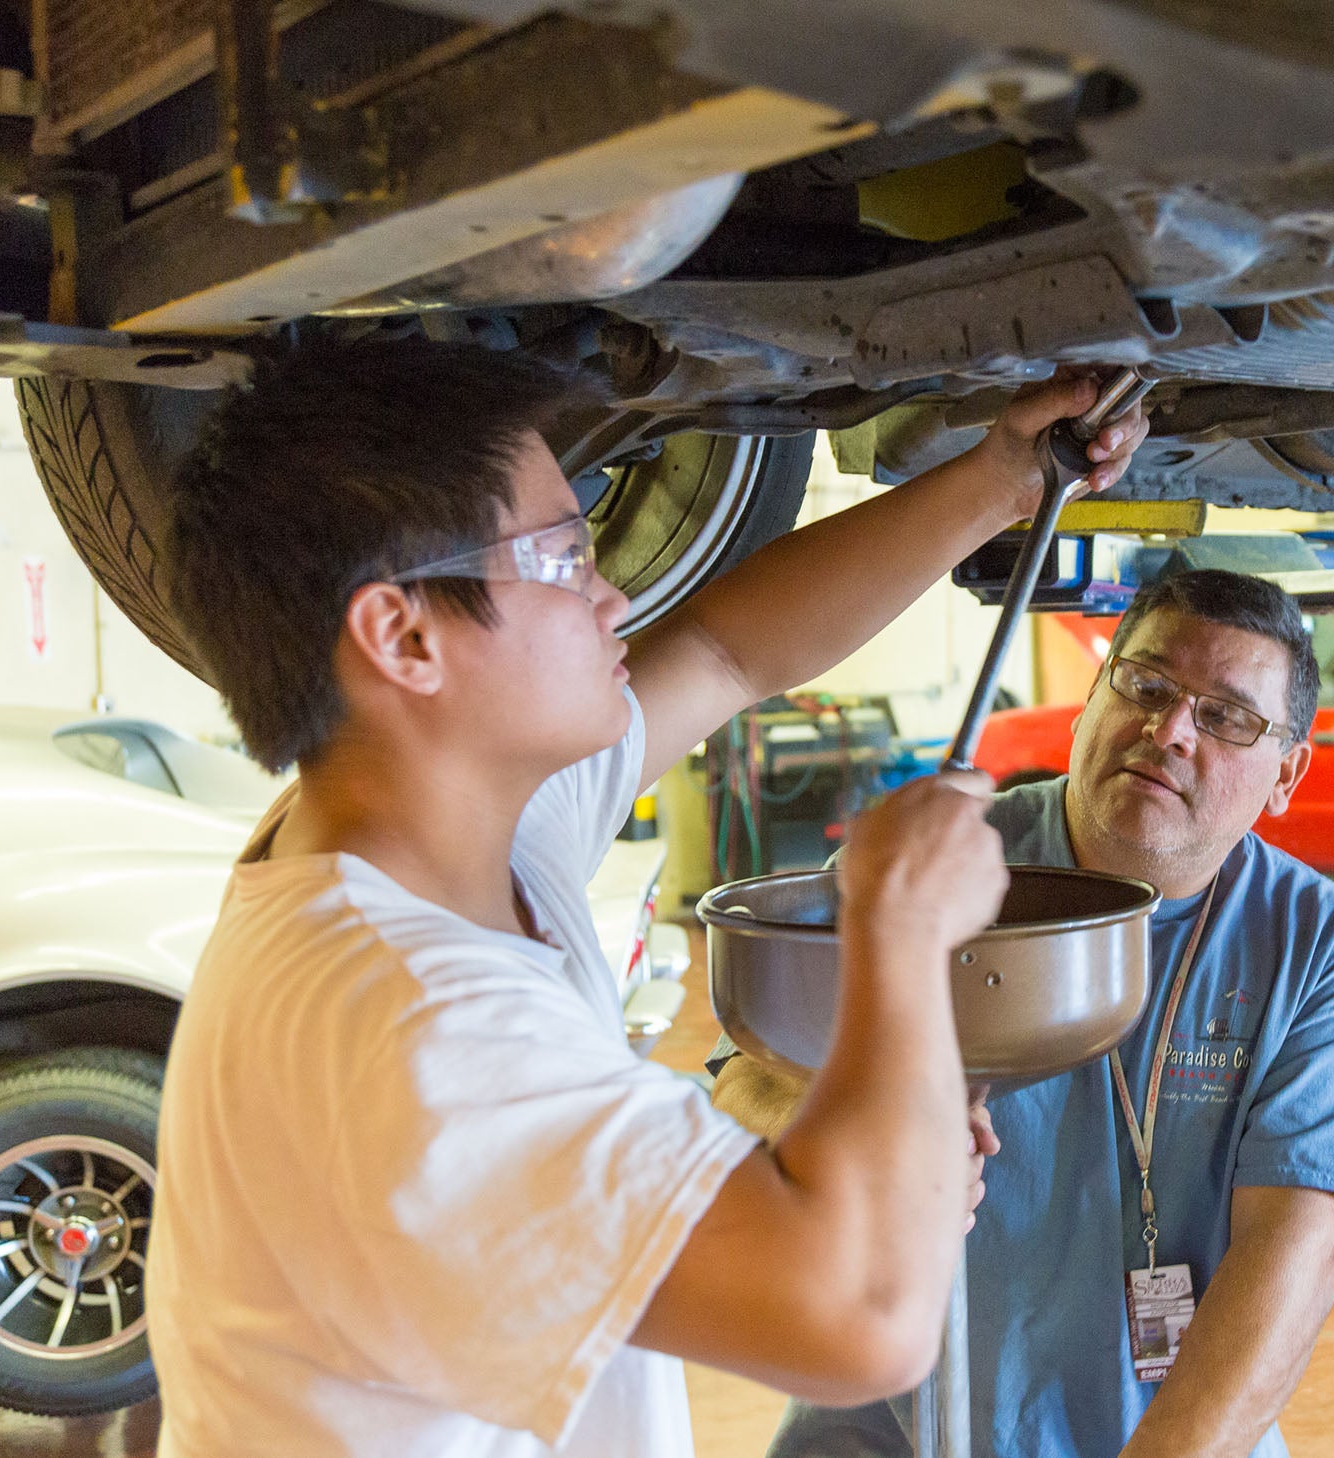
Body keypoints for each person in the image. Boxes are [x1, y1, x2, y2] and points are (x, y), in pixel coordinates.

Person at [142, 342, 1147, 1458]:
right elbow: (859, 1317)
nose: (612, 591)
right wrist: (898, 925)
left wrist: (1003, 481)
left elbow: (723, 654)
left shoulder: (437, 830)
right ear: (405, 635)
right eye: (564, 559)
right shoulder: (419, 1034)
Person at [712, 570, 1334, 1458]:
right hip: (884, 1428)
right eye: (1147, 685)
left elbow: (1297, 1250)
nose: (1170, 731)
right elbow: (741, 1085)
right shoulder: (939, 865)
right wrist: (856, 1130)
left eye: (1227, 717)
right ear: (1094, 696)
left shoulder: (1319, 948)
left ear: (1285, 774)